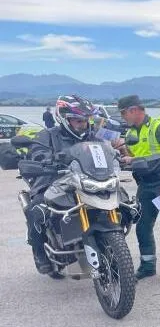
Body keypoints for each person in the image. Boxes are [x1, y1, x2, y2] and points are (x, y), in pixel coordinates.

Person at [20, 96, 97, 273]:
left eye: (85, 121)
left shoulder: (92, 135)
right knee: (37, 210)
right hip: (51, 182)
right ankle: (39, 251)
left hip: (84, 182)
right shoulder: (47, 135)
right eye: (78, 121)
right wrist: (46, 158)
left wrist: (116, 154)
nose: (82, 125)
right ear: (64, 119)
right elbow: (37, 151)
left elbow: (102, 149)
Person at [118, 95, 160, 285]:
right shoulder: (131, 132)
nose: (123, 117)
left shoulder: (159, 127)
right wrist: (122, 152)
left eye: (124, 113)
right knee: (143, 226)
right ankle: (147, 266)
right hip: (145, 186)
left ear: (133, 110)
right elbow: (134, 155)